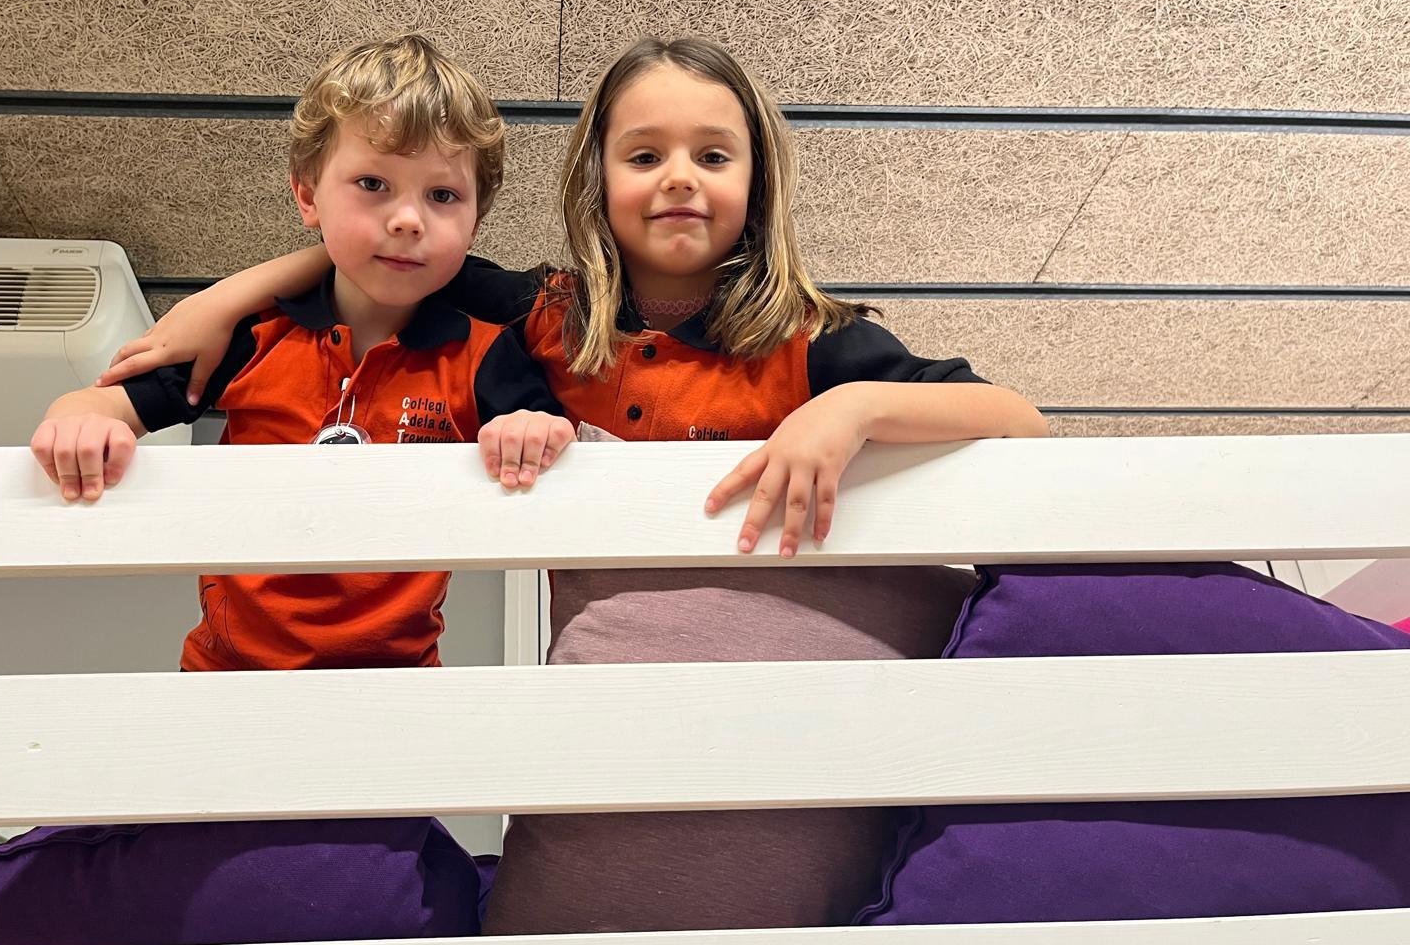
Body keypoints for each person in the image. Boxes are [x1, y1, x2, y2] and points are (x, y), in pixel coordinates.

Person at [97, 37, 1047, 559]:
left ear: (758, 180)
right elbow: (390, 258)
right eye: (645, 155)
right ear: (599, 179)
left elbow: (1020, 420)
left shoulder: (811, 342)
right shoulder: (543, 316)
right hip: (606, 670)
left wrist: (851, 410)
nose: (680, 177)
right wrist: (231, 296)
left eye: (714, 155)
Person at [32, 34, 571, 672]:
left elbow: (547, 428)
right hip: (225, 681)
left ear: (475, 221)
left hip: (401, 689)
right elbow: (94, 403)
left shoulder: (485, 353)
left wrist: (531, 427)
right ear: (308, 196)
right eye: (373, 183)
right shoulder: (251, 336)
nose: (408, 219)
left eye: (443, 195)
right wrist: (79, 423)